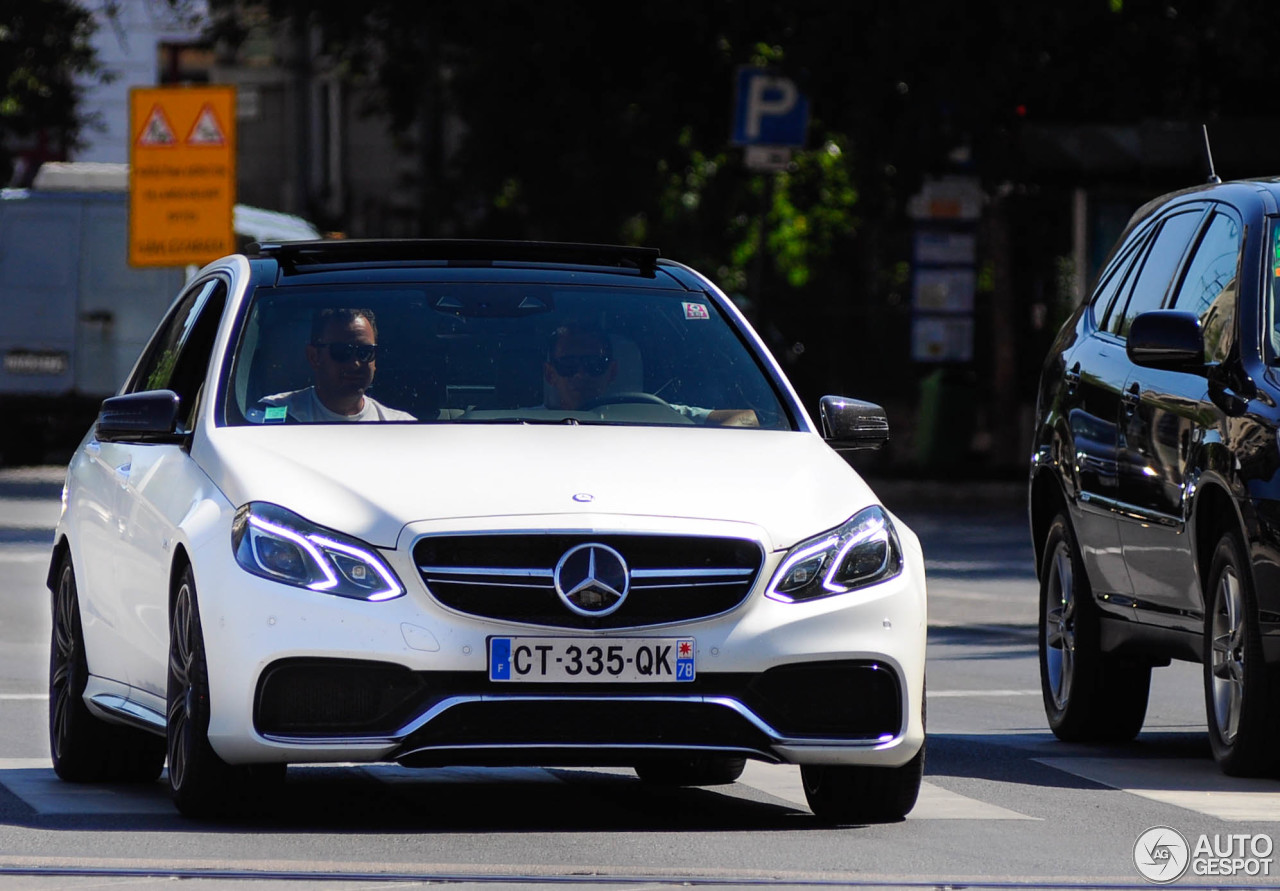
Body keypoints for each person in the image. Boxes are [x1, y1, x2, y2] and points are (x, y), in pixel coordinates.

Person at [542, 321, 758, 426]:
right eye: (568, 365)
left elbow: (748, 417)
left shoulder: (657, 413)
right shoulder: (517, 423)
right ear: (550, 374)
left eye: (593, 364)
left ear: (612, 371)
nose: (581, 374)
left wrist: (710, 449)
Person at [260, 307, 415, 422]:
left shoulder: (401, 428)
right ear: (314, 357)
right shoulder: (274, 415)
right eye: (341, 351)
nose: (355, 363)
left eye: (365, 352)